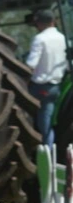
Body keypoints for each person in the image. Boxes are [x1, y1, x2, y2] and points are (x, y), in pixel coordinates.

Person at [26, 9, 67, 150]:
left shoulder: (40, 39)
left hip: (40, 87)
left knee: (28, 114)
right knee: (47, 118)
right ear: (53, 21)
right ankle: (48, 148)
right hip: (56, 86)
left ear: (38, 24)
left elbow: (31, 65)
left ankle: (44, 149)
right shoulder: (63, 37)